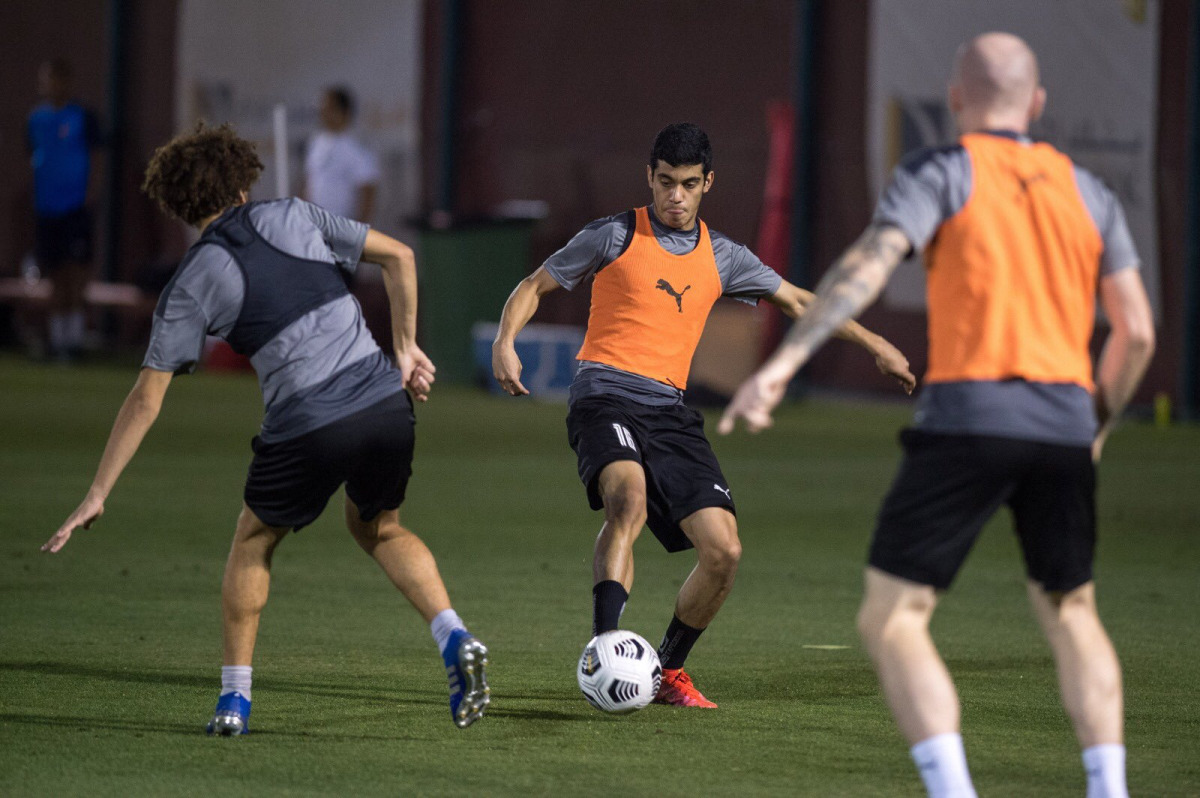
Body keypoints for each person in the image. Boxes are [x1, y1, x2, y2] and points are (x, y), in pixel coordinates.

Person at [721, 33, 1154, 798]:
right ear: (1039, 103)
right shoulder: (1088, 190)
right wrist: (1096, 427)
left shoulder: (943, 170)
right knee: (1073, 611)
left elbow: (868, 265)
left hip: (969, 415)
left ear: (956, 98)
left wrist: (783, 367)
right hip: (1061, 420)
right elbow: (1138, 331)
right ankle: (1109, 787)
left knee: (895, 619)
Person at [41, 122, 490, 734]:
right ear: (241, 185)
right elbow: (401, 257)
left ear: (180, 206)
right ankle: (453, 634)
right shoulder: (296, 214)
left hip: (309, 422)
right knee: (380, 527)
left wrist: (97, 492)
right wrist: (407, 348)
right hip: (386, 402)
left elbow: (147, 399)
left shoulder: (189, 283)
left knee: (254, 541)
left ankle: (234, 703)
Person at [493, 122, 916, 708]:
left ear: (707, 183)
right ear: (650, 176)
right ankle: (606, 649)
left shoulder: (724, 256)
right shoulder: (613, 234)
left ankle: (665, 670)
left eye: (688, 184)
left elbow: (799, 301)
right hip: (604, 396)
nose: (675, 196)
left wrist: (874, 344)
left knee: (723, 551)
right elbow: (535, 284)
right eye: (665, 182)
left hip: (669, 410)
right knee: (629, 500)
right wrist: (504, 341)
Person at [26, 57, 102, 360]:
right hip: (47, 208)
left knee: (76, 273)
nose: (49, 85)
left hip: (75, 207)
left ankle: (74, 340)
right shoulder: (36, 119)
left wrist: (89, 194)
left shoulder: (82, 116)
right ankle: (58, 342)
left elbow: (95, 159)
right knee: (55, 274)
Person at [302, 86, 381, 224]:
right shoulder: (316, 142)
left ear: (344, 112)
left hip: (342, 225)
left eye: (329, 108)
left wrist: (360, 233)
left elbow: (368, 192)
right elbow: (309, 181)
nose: (323, 113)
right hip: (313, 224)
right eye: (322, 109)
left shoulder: (357, 147)